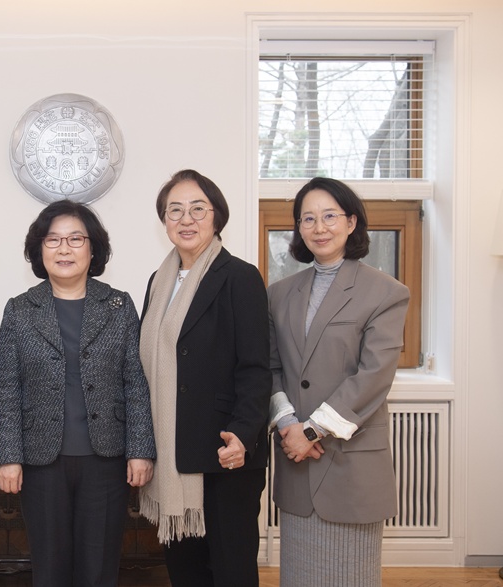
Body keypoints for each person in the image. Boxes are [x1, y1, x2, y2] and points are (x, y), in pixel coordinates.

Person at [0, 200, 155, 587]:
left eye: (75, 239)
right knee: (49, 569)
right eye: (53, 240)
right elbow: (7, 387)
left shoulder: (118, 305)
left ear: (93, 249)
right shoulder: (19, 310)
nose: (64, 249)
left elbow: (135, 381)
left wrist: (140, 449)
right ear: (39, 250)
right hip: (41, 462)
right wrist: (8, 457)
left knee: (99, 569)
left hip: (106, 460)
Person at [268, 177, 409, 587]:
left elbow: (374, 376)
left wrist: (312, 429)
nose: (319, 227)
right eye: (307, 218)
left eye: (330, 216)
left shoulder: (385, 292)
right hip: (296, 459)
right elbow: (271, 367)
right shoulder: (278, 293)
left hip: (351, 463)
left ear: (351, 222)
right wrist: (288, 424)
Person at [139, 169, 271, 587]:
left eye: (198, 208)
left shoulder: (240, 277)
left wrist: (243, 433)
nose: (185, 218)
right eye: (174, 210)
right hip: (171, 451)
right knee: (186, 571)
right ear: (164, 221)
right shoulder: (157, 282)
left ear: (217, 217)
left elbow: (255, 366)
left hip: (223, 452)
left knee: (231, 570)